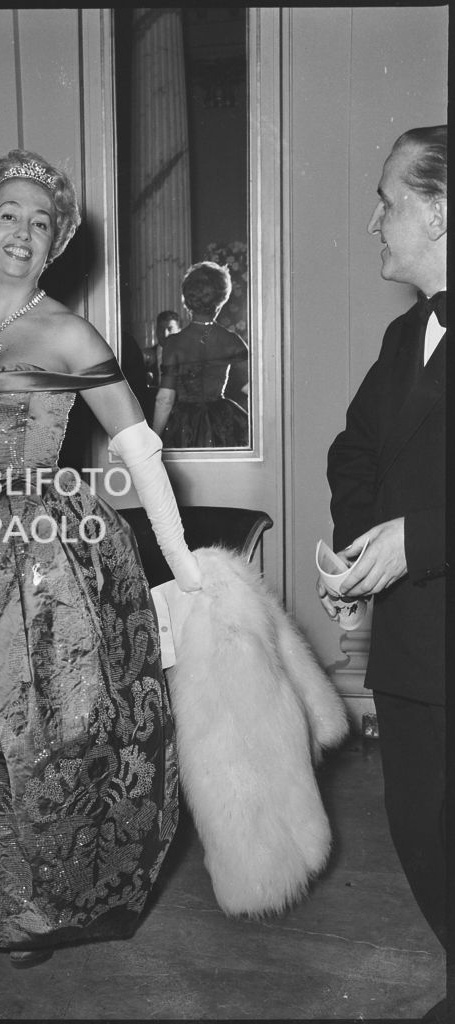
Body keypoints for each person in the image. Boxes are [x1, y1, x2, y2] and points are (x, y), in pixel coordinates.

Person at [0, 150, 202, 983]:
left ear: (55, 246)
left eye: (40, 222)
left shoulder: (68, 332)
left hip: (49, 558)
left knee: (47, 740)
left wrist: (183, 569)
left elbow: (140, 452)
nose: (23, 232)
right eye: (8, 216)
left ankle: (33, 905)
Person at [324, 126, 447, 983]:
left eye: (389, 200)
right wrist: (364, 547)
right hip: (416, 653)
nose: (375, 220)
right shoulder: (406, 337)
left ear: (439, 213)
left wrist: (423, 537)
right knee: (421, 834)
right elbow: (354, 452)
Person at [151, 262, 249, 447]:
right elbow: (253, 390)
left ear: (187, 300)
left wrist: (153, 439)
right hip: (224, 424)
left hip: (182, 426)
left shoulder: (174, 343)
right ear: (221, 300)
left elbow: (165, 399)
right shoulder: (231, 340)